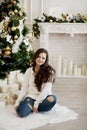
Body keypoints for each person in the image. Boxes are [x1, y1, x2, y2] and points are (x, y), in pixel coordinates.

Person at [15, 48, 57, 117]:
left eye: (43, 58)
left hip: (44, 98)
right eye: (38, 57)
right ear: (35, 57)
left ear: (46, 60)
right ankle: (29, 106)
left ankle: (31, 107)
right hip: (32, 96)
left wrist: (36, 104)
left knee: (52, 99)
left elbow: (46, 90)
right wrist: (18, 101)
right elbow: (24, 88)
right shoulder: (29, 71)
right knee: (21, 113)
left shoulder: (49, 72)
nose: (40, 59)